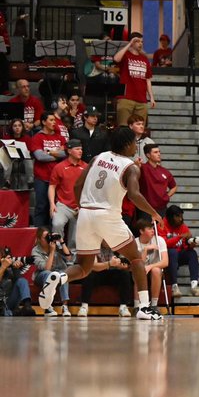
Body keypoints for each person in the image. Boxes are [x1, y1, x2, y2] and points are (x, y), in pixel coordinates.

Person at [38, 126, 163, 320]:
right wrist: (154, 213)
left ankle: (60, 277)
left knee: (84, 268)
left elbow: (78, 185)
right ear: (129, 144)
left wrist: (82, 206)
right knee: (136, 258)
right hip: (108, 216)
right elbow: (134, 194)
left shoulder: (98, 157)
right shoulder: (130, 167)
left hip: (86, 214)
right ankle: (144, 308)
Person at [29, 111, 67, 227]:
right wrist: (57, 154)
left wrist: (50, 152)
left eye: (54, 120)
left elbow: (65, 154)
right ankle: (39, 236)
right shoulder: (37, 137)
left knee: (55, 208)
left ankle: (53, 236)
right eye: (51, 120)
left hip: (57, 178)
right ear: (44, 122)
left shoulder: (59, 137)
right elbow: (40, 157)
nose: (54, 122)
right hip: (42, 178)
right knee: (41, 206)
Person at [48, 138, 87, 249]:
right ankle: (59, 251)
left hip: (80, 205)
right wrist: (52, 204)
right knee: (57, 224)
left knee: (75, 236)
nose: (81, 151)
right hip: (63, 205)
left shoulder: (86, 167)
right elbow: (52, 186)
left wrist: (83, 206)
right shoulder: (59, 167)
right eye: (77, 149)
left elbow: (89, 188)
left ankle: (72, 258)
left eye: (81, 149)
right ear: (69, 151)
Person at [78, 243, 136, 317]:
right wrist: (109, 264)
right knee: (88, 273)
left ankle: (123, 307)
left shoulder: (117, 247)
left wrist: (121, 266)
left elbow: (127, 265)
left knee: (125, 274)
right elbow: (93, 266)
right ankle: (84, 306)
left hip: (113, 273)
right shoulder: (95, 247)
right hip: (98, 272)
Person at [161, 205, 199, 297]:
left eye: (181, 216)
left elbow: (185, 246)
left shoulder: (183, 227)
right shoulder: (162, 225)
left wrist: (191, 245)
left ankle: (194, 286)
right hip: (166, 256)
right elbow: (164, 244)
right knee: (172, 252)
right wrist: (179, 237)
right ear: (171, 217)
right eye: (178, 217)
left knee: (192, 253)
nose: (181, 219)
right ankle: (174, 287)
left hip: (178, 255)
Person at [114, 32, 156, 126]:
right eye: (138, 41)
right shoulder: (126, 55)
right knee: (123, 128)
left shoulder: (144, 59)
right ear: (132, 42)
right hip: (125, 98)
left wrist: (151, 98)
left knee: (140, 129)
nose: (140, 43)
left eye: (142, 42)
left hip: (142, 99)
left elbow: (148, 80)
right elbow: (116, 59)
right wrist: (129, 44)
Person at [31, 226, 71, 316]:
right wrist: (52, 252)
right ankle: (48, 307)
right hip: (42, 275)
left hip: (58, 272)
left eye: (48, 236)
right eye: (45, 237)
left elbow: (69, 257)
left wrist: (61, 241)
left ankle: (65, 306)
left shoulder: (55, 245)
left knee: (63, 274)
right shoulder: (35, 251)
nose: (48, 239)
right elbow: (47, 268)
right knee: (49, 274)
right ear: (39, 239)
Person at [133, 218, 169, 313]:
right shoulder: (134, 243)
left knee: (156, 270)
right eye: (149, 229)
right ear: (141, 231)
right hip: (139, 268)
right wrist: (145, 250)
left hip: (153, 269)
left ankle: (154, 305)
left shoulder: (159, 240)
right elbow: (138, 263)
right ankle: (137, 306)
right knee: (139, 271)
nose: (153, 230)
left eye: (153, 228)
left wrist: (150, 267)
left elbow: (165, 262)